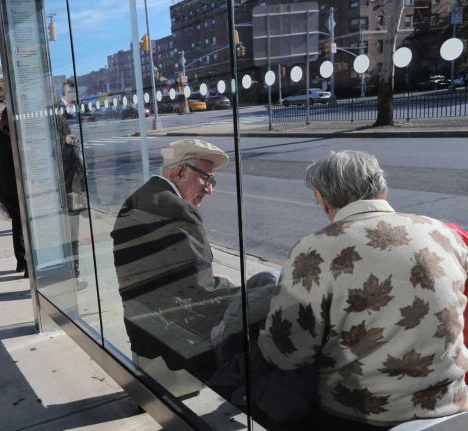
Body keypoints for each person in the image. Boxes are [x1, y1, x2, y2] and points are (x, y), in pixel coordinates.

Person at [258, 150, 468, 430]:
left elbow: (286, 352)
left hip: (360, 416)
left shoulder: (313, 249)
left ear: (321, 198)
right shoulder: (442, 233)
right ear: (382, 190)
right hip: (453, 406)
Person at [110, 139, 238, 379]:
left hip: (143, 329)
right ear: (179, 171)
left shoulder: (140, 197)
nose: (209, 190)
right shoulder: (178, 211)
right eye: (206, 178)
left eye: (212, 181)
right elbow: (201, 292)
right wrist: (232, 288)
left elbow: (169, 272)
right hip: (175, 338)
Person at [0, 108, 26, 277]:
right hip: (13, 187)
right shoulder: (12, 140)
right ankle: (27, 263)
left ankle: (21, 262)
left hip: (1, 187)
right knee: (23, 224)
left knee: (18, 223)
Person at [56, 115, 88, 287]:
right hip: (71, 194)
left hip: (56, 196)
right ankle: (73, 276)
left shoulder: (51, 144)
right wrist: (83, 189)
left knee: (63, 237)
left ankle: (65, 274)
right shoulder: (70, 142)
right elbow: (81, 165)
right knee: (72, 237)